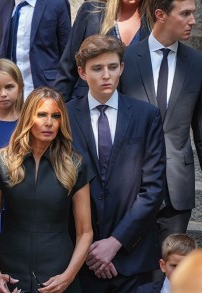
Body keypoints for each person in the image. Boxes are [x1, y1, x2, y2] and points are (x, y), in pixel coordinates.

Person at [66, 35, 166, 293]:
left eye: (112, 67)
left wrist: (115, 243)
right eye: (97, 69)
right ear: (82, 73)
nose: (106, 75)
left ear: (122, 67)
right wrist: (90, 247)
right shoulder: (64, 116)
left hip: (133, 257)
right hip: (79, 258)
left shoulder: (146, 116)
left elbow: (153, 189)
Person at [0, 87, 93, 293]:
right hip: (9, 270)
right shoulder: (2, 162)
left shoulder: (75, 165)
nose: (49, 122)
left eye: (55, 116)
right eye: (41, 115)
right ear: (28, 118)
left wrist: (67, 277)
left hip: (57, 272)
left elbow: (85, 232)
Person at [119, 0, 202, 245]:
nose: (193, 21)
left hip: (178, 187)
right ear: (160, 15)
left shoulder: (197, 63)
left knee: (170, 272)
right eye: (185, 13)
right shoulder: (127, 59)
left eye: (194, 14)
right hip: (133, 185)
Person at [0, 0, 71, 107]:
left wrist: (64, 96)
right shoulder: (1, 4)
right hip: (9, 99)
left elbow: (68, 54)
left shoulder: (57, 3)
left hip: (45, 95)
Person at [55, 0, 153, 101]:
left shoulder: (155, 22)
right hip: (86, 107)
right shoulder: (92, 12)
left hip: (135, 109)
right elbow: (67, 69)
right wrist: (57, 109)